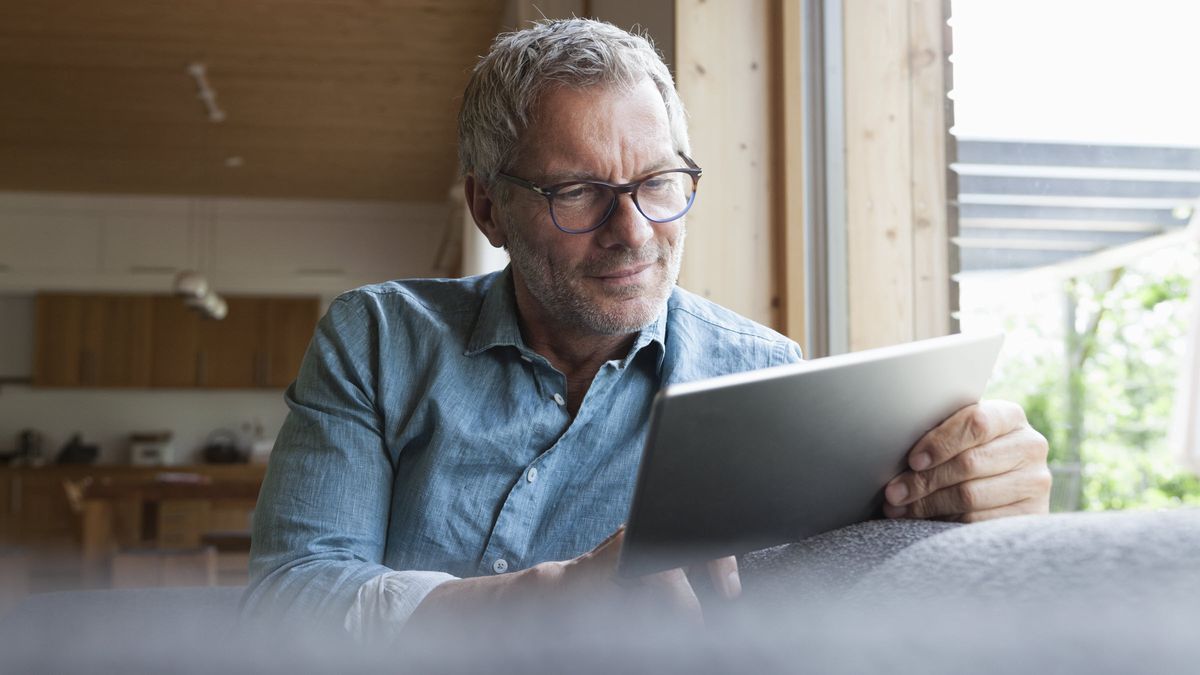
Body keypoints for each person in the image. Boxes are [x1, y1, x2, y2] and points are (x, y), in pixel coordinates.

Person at [243, 18, 1051, 640]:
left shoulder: (761, 375)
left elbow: (812, 611)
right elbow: (288, 598)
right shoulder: (379, 339)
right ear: (488, 207)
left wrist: (968, 497)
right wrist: (552, 597)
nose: (632, 230)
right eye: (577, 192)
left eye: (658, 182)